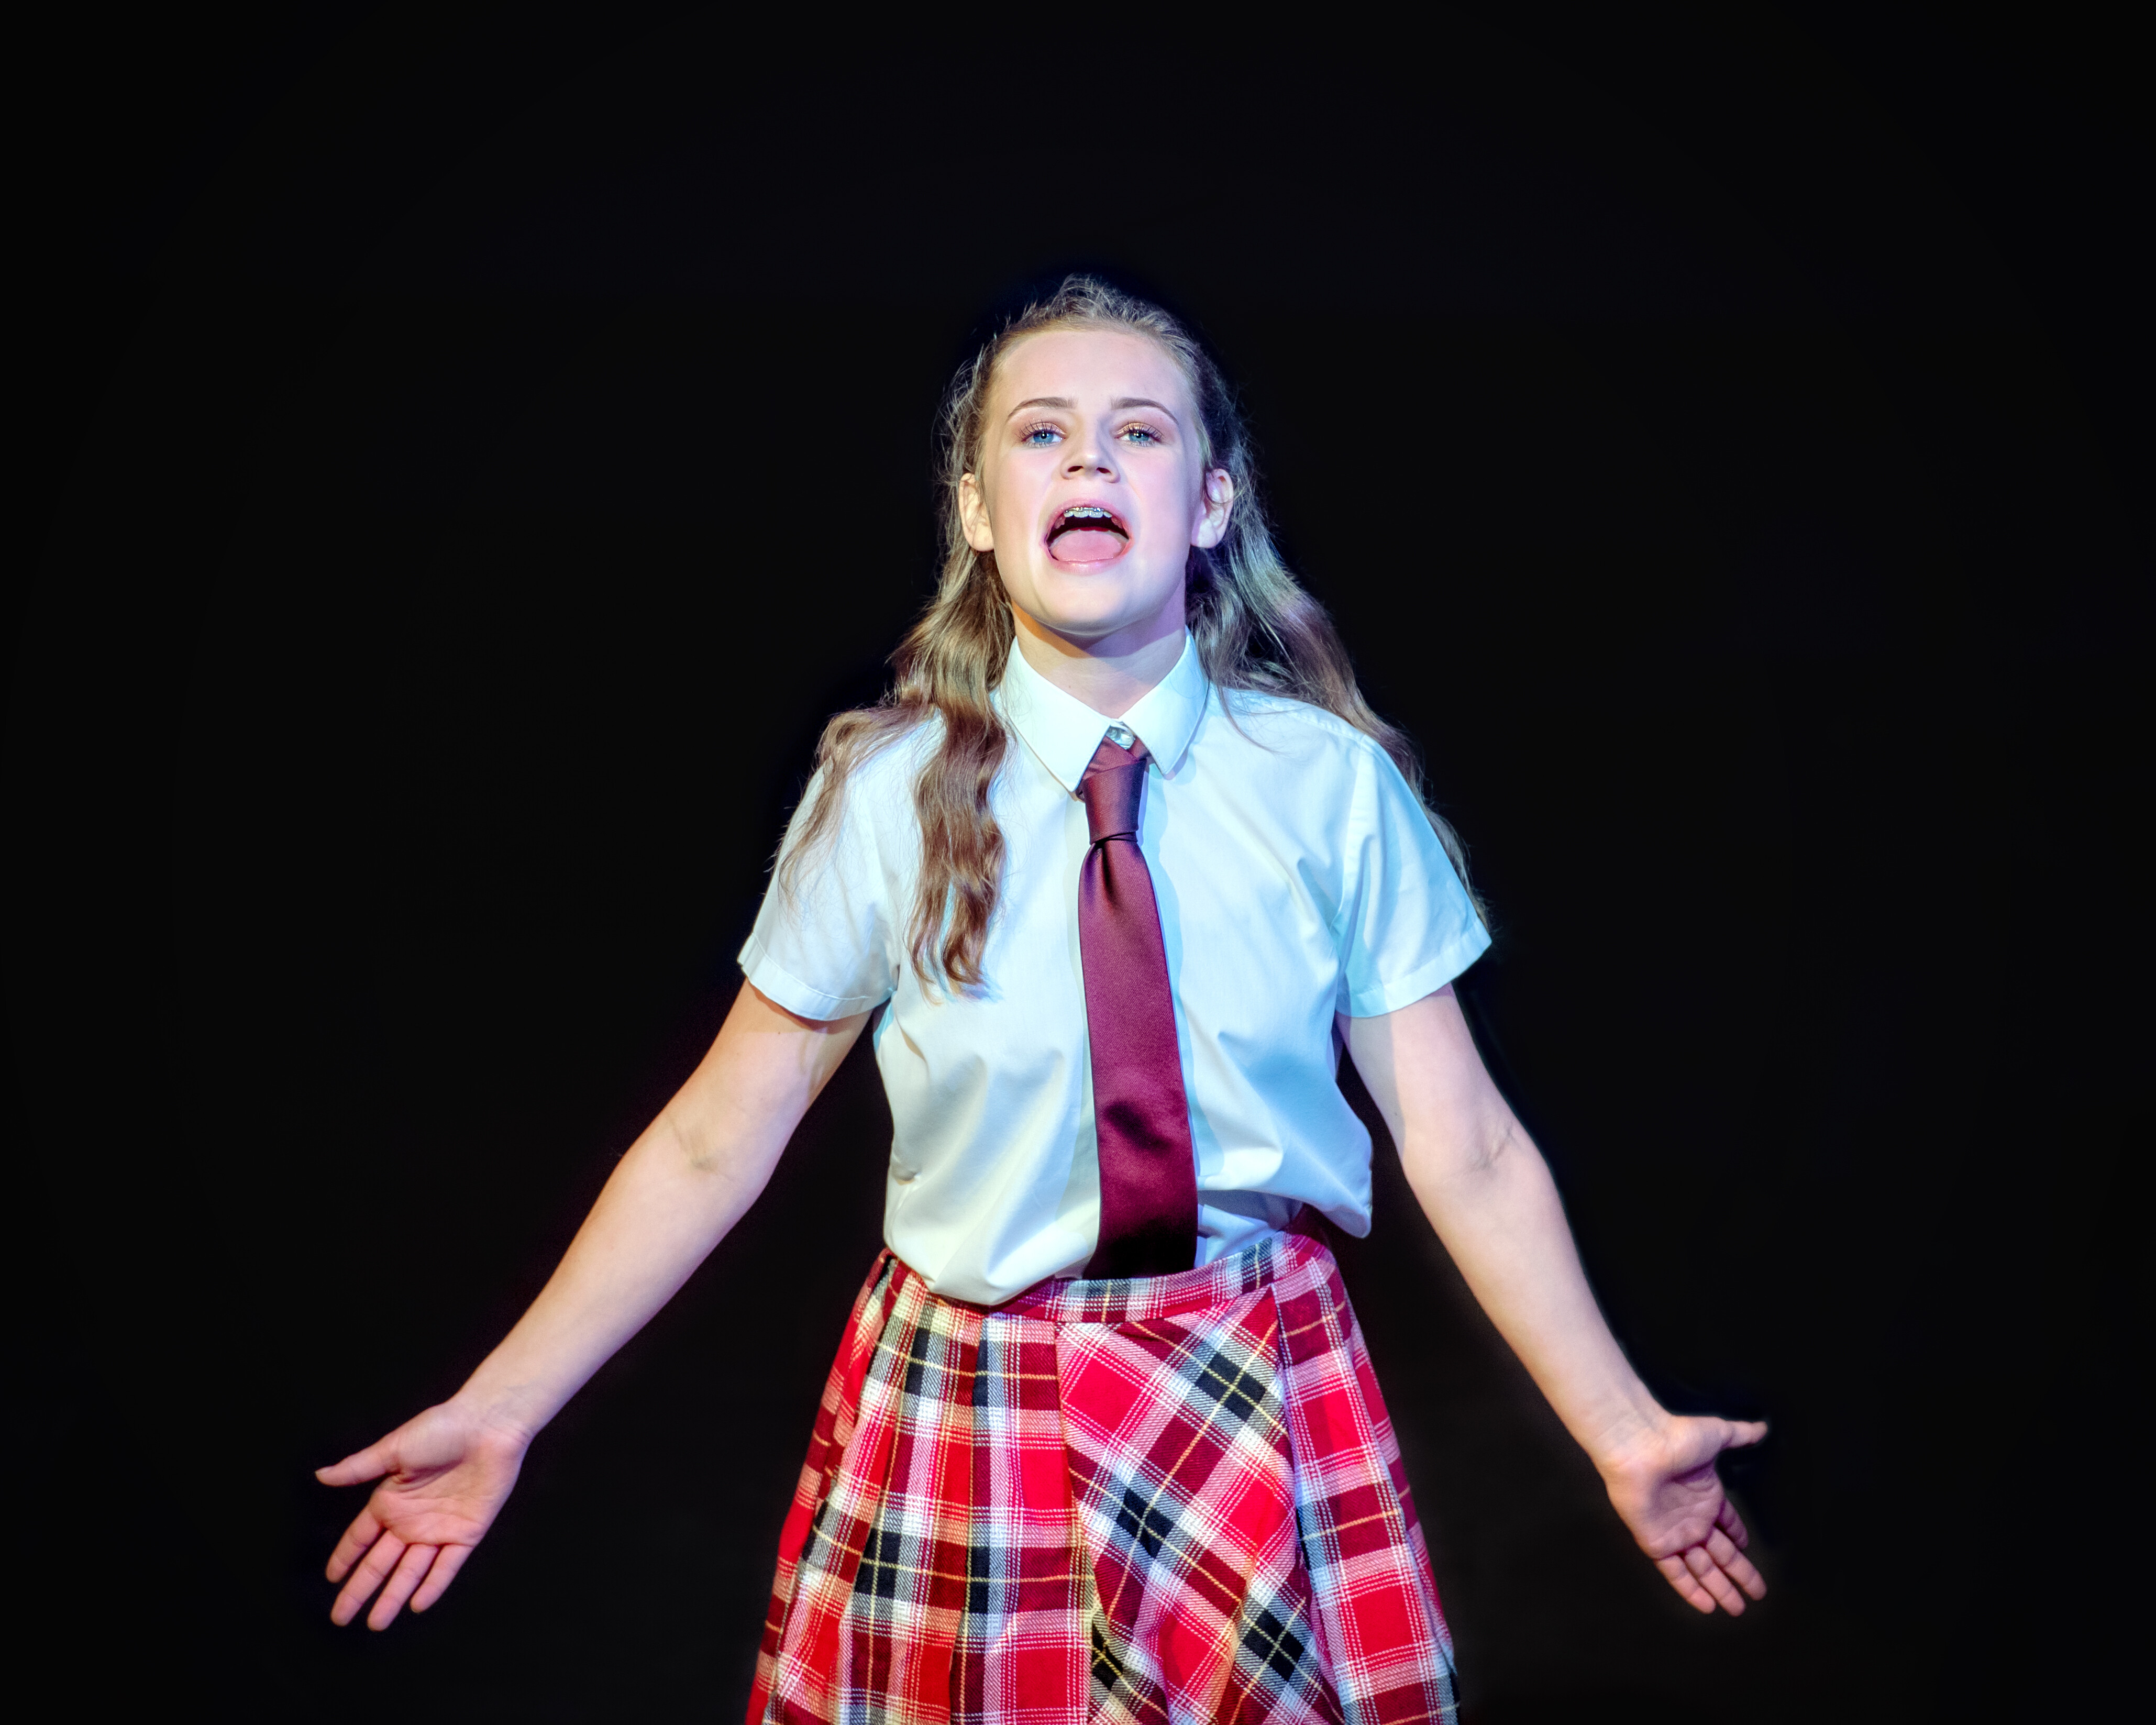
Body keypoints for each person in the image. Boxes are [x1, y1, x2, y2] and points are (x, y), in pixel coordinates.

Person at [319, 277, 1767, 1723]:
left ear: (1209, 503)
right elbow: (716, 1136)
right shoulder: (884, 794)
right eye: (1041, 435)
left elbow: (1468, 1146)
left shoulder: (1326, 787)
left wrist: (1621, 1427)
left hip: (1252, 1379)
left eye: (1137, 434)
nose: (1088, 462)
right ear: (975, 508)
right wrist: (506, 1403)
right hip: (971, 1389)